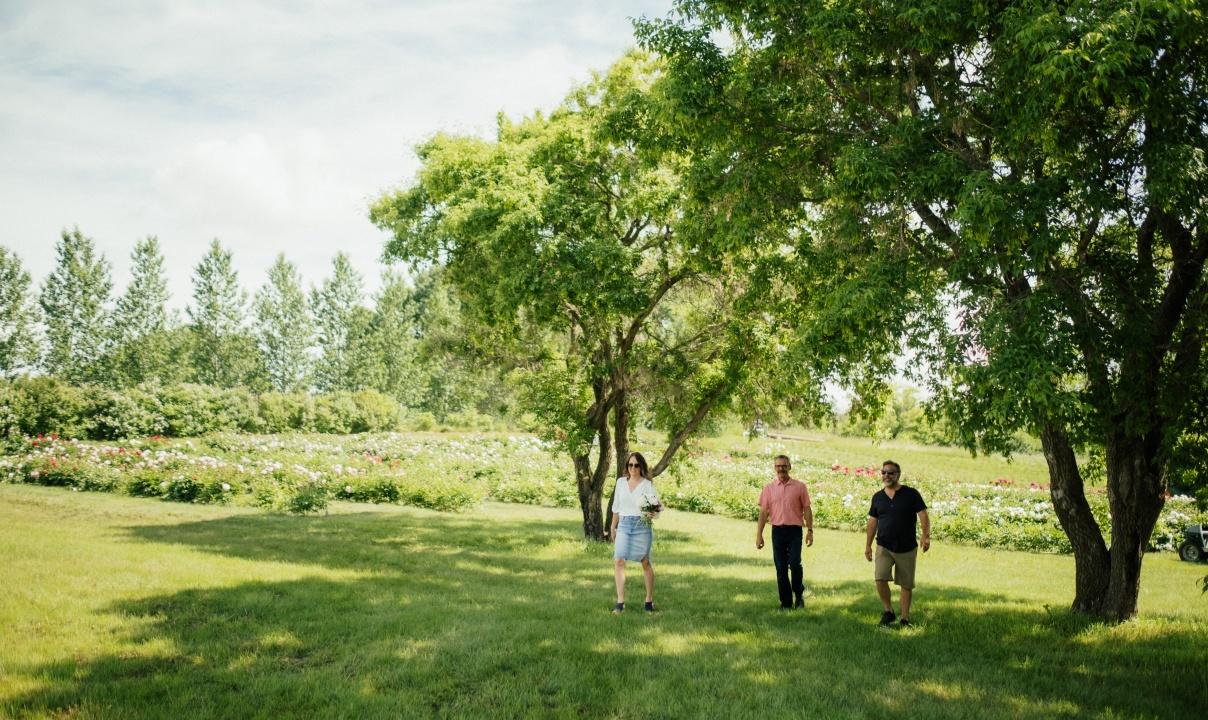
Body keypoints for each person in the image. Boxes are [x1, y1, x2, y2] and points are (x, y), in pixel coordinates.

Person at [864, 460, 930, 627]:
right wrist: (868, 545)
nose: (886, 475)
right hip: (884, 545)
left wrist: (925, 536)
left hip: (907, 546)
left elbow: (923, 514)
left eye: (890, 473)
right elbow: (872, 522)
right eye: (884, 472)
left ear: (898, 475)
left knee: (906, 584)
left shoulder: (911, 494)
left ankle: (905, 619)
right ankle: (889, 611)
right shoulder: (878, 497)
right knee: (880, 578)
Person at [756, 455, 813, 609]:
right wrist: (759, 535)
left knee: (794, 564)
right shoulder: (768, 488)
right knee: (781, 568)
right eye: (778, 466)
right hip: (777, 532)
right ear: (775, 468)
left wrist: (810, 530)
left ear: (789, 466)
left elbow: (807, 509)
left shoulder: (800, 487)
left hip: (795, 531)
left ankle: (798, 593)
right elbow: (763, 513)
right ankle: (786, 603)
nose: (781, 468)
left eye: (784, 465)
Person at [609, 452, 661, 613]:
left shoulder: (647, 484)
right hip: (624, 524)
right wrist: (612, 527)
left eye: (636, 465)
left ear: (641, 467)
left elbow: (656, 509)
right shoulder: (620, 483)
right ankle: (620, 602)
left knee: (645, 562)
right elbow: (616, 507)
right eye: (630, 465)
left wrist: (653, 512)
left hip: (641, 526)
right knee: (618, 561)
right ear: (627, 466)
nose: (633, 468)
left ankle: (648, 601)